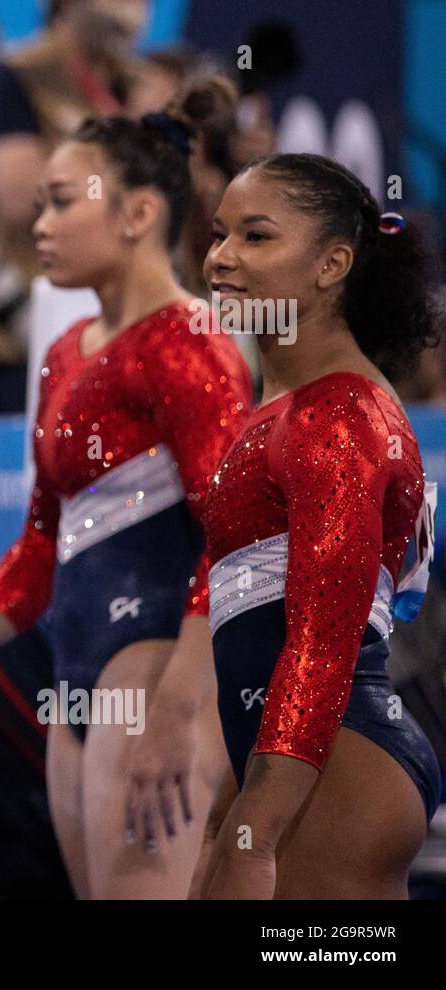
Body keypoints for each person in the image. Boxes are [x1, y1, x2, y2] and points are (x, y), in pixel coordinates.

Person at [0, 102, 252, 899]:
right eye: (39, 201)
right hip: (76, 674)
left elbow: (238, 541)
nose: (39, 223)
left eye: (63, 200)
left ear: (139, 212)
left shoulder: (190, 345)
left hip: (156, 670)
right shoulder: (68, 356)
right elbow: (40, 546)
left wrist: (180, 710)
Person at [199, 154, 441, 898]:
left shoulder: (339, 415)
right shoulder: (293, 407)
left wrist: (257, 827)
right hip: (294, 758)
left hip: (338, 766)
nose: (221, 258)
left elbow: (323, 642)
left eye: (257, 237)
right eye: (219, 234)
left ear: (332, 263)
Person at [0, 0, 147, 411]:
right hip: (27, 339)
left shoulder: (123, 85)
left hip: (119, 336)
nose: (137, 12)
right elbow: (17, 194)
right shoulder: (12, 78)